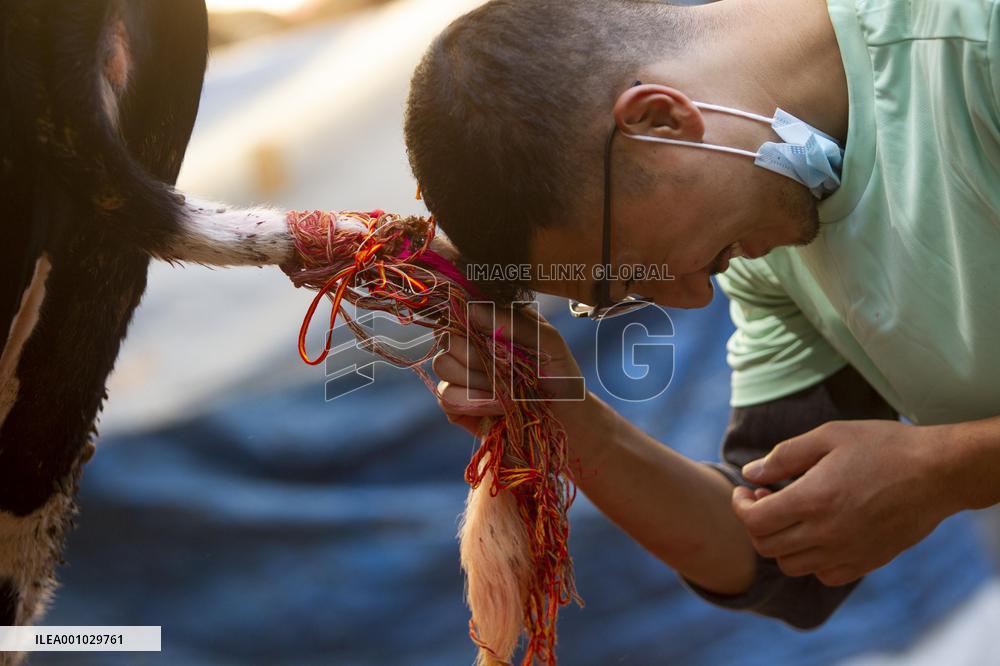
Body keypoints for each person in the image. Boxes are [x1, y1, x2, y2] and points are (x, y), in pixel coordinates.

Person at [402, 0, 1000, 628]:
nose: (692, 297)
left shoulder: (971, 41)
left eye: (632, 272)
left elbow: (939, 471)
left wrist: (950, 465)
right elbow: (779, 553)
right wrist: (572, 421)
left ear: (658, 121)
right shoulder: (770, 237)